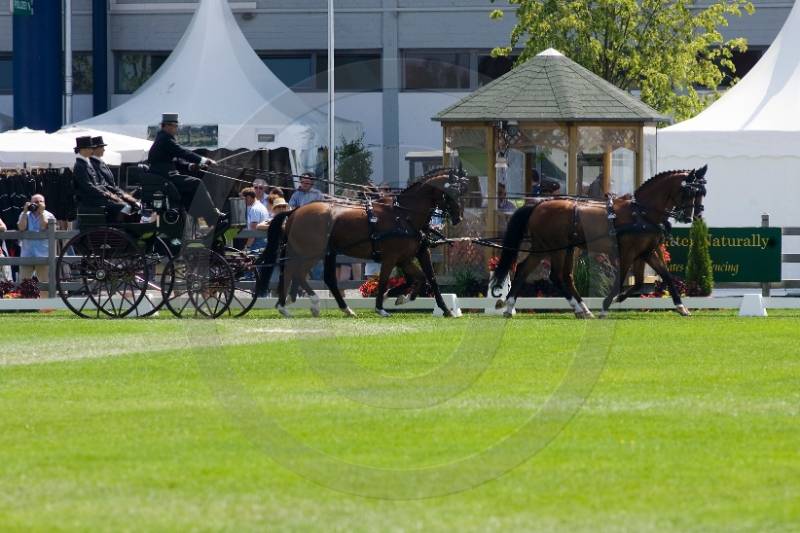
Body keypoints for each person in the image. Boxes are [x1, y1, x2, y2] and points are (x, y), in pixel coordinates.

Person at [147, 113, 225, 226]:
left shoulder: (163, 139)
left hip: (167, 177)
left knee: (189, 197)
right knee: (197, 183)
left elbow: (175, 160)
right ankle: (212, 214)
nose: (176, 129)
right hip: (166, 178)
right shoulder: (165, 139)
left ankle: (201, 224)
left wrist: (190, 166)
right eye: (175, 126)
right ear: (167, 126)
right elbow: (182, 152)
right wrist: (204, 160)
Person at [73, 135, 129, 221]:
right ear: (83, 150)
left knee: (125, 204)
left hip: (97, 198)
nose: (92, 150)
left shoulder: (86, 163)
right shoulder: (79, 165)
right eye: (90, 148)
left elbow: (100, 184)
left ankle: (116, 224)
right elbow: (88, 186)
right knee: (123, 206)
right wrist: (106, 194)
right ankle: (116, 226)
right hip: (90, 200)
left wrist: (110, 194)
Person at [17, 194, 55, 296]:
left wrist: (41, 212)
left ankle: (46, 304)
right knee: (24, 284)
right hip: (27, 254)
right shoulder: (24, 214)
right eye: (35, 202)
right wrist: (25, 212)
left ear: (44, 203)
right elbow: (21, 227)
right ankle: (26, 304)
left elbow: (43, 226)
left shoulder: (49, 215)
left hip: (43, 255)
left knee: (45, 284)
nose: (38, 204)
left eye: (40, 202)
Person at [90, 136, 141, 212]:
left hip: (112, 193)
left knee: (135, 205)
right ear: (94, 149)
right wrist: (120, 196)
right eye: (101, 147)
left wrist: (123, 194)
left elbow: (111, 185)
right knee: (126, 207)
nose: (104, 150)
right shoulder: (92, 164)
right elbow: (103, 185)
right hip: (104, 197)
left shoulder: (100, 162)